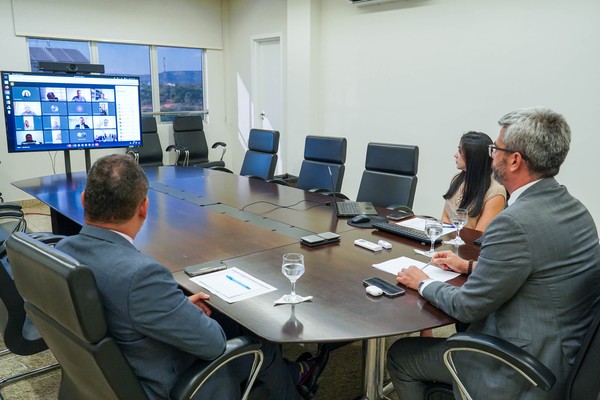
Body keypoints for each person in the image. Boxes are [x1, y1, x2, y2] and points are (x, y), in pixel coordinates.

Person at [55, 154, 328, 400]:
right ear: (144, 208)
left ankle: (294, 374)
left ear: (83, 201)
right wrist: (181, 310)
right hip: (161, 384)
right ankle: (295, 381)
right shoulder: (141, 275)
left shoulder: (63, 250)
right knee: (261, 345)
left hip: (102, 376)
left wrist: (173, 307)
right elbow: (213, 344)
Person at [388, 107, 600, 400]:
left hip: (523, 369)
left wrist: (423, 282)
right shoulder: (577, 209)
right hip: (568, 358)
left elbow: (467, 307)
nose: (491, 155)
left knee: (402, 354)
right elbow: (537, 271)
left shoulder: (514, 222)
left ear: (514, 160)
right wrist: (470, 267)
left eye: (496, 148)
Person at [442, 131, 506, 231]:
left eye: (460, 151)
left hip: (469, 245)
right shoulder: (456, 179)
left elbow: (479, 234)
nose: (455, 155)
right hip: (449, 242)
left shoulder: (496, 192)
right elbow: (445, 217)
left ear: (473, 157)